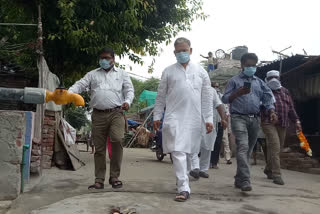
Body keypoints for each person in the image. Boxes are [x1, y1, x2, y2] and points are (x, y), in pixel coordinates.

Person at [153, 37, 213, 202]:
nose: (181, 53)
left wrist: (208, 118)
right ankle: (184, 187)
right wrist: (157, 116)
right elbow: (160, 97)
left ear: (191, 51)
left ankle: (183, 179)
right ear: (174, 52)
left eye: (184, 50)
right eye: (178, 51)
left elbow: (207, 98)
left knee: (188, 151)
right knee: (178, 150)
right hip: (174, 117)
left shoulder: (201, 72)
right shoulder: (168, 71)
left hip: (194, 118)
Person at [68, 48, 134, 190]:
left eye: (106, 58)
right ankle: (99, 179)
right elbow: (80, 84)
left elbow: (129, 90)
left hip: (117, 113)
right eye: (101, 58)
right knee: (99, 148)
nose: (103, 60)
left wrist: (128, 101)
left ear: (113, 59)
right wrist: (69, 93)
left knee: (117, 140)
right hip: (98, 115)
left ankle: (114, 176)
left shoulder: (122, 74)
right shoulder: (92, 74)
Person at [222, 53, 277, 192]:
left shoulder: (259, 82)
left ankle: (239, 178)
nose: (251, 68)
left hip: (255, 119)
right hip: (238, 117)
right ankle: (246, 180)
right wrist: (237, 93)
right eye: (248, 66)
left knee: (248, 150)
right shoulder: (234, 81)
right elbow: (225, 99)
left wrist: (271, 110)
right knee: (243, 147)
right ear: (242, 66)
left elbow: (268, 97)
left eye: (253, 66)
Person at [261, 70, 302, 185]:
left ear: (279, 78)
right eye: (271, 78)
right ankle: (277, 174)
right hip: (268, 122)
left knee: (277, 149)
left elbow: (291, 108)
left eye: (276, 77)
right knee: (275, 146)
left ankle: (268, 169)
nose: (273, 79)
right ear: (267, 79)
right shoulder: (264, 90)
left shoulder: (285, 91)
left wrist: (297, 120)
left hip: (283, 123)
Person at [188, 84, 227, 179]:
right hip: (192, 121)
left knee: (208, 146)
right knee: (193, 146)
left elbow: (219, 105)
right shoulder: (191, 88)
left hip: (209, 122)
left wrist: (223, 118)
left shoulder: (211, 91)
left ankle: (203, 169)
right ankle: (194, 168)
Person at [210, 82, 229, 168]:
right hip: (209, 122)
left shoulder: (222, 97)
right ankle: (208, 161)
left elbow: (225, 110)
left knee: (218, 142)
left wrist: (224, 120)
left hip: (220, 122)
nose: (216, 88)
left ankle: (214, 162)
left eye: (217, 87)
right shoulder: (207, 96)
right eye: (214, 87)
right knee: (209, 142)